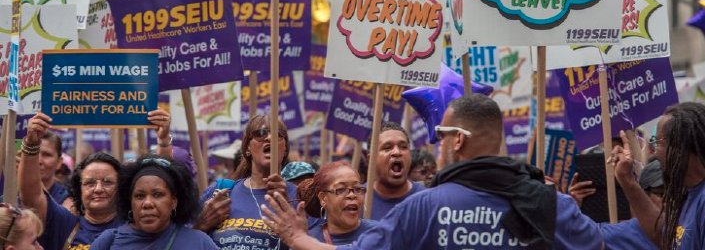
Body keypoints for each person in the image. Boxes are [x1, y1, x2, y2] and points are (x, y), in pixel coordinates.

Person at [261, 94, 604, 249]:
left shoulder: (424, 206)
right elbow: (601, 243)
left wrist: (298, 238)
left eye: (441, 135)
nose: (438, 144)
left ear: (458, 140)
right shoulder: (549, 202)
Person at [19, 109, 173, 250]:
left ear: (121, 187)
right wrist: (31, 144)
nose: (98, 189)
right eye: (89, 183)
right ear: (79, 189)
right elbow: (32, 195)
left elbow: (159, 181)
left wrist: (163, 140)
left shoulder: (136, 223)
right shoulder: (63, 224)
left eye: (107, 182)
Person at [611, 102, 705, 249]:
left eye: (657, 143)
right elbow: (667, 237)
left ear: (680, 146)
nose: (654, 153)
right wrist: (626, 179)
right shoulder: (690, 195)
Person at [195, 115, 295, 250]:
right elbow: (182, 242)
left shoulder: (298, 198)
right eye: (260, 133)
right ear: (247, 148)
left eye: (278, 134)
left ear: (285, 149)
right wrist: (202, 224)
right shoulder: (219, 193)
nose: (269, 138)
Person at [90, 156, 217, 249]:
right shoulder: (108, 242)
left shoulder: (199, 243)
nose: (147, 203)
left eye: (157, 195)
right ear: (130, 202)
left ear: (174, 201)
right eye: (139, 196)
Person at [297, 161, 376, 246]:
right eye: (341, 189)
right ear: (323, 198)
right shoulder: (308, 243)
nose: (352, 195)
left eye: (357, 189)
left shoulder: (381, 234)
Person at [367, 122, 423, 220]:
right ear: (371, 159)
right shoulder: (357, 201)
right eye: (387, 148)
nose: (397, 152)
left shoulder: (427, 200)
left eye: (403, 147)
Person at [37, 132, 70, 206]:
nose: (39, 161)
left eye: (46, 155)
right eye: (33, 153)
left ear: (58, 162)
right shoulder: (12, 193)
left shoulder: (67, 198)